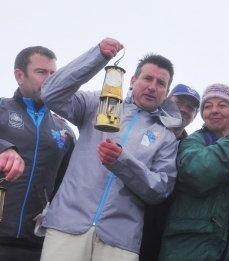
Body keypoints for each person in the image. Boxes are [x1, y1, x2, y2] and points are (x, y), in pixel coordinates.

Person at [39, 38, 180, 261]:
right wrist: (98, 56)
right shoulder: (100, 101)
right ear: (133, 80)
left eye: (161, 83)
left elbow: (160, 189)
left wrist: (122, 162)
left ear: (167, 91)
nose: (153, 87)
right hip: (68, 224)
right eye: (147, 78)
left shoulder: (166, 137)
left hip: (120, 240)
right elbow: (50, 94)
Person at [158, 83, 229, 260]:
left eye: (222, 105)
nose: (214, 110)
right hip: (189, 249)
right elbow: (196, 173)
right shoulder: (193, 142)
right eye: (208, 106)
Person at [0, 46, 75, 261]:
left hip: (37, 244)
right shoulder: (2, 110)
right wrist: (4, 147)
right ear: (19, 76)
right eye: (42, 72)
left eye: (54, 75)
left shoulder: (65, 131)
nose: (50, 80)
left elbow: (67, 187)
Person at [139, 83, 200, 261]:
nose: (184, 109)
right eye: (179, 101)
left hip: (165, 233)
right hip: (126, 218)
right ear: (166, 101)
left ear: (196, 115)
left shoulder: (191, 148)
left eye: (191, 107)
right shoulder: (143, 128)